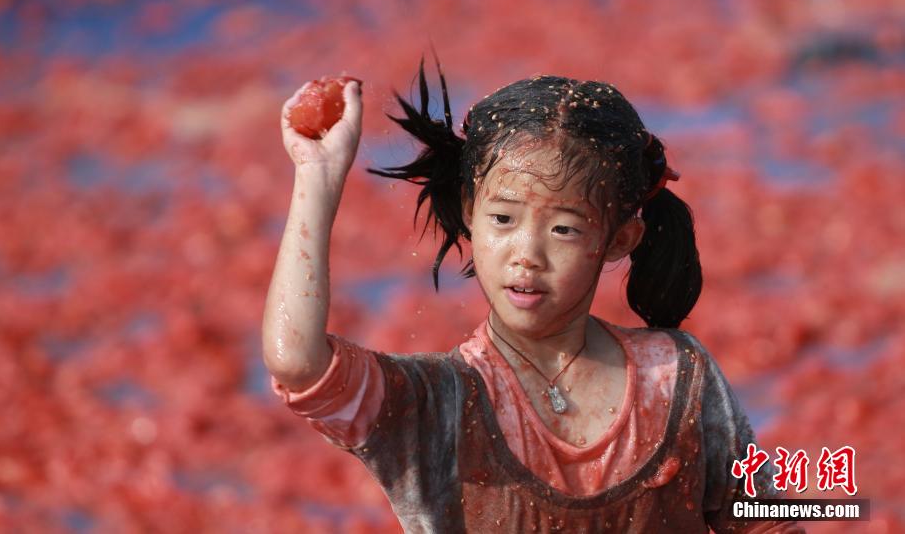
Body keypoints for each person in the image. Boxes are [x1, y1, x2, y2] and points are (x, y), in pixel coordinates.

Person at [262, 57, 803, 533]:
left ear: (619, 238)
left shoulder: (680, 375)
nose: (527, 254)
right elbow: (298, 364)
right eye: (503, 219)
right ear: (471, 213)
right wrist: (318, 175)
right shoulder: (439, 404)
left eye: (564, 229)